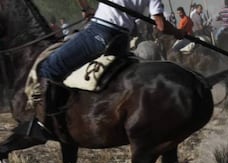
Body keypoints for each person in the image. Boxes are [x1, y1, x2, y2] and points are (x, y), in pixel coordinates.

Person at [32, 0, 184, 125]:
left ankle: (45, 123)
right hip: (122, 40)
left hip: (100, 32)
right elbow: (161, 25)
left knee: (49, 67)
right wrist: (177, 32)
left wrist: (86, 8)